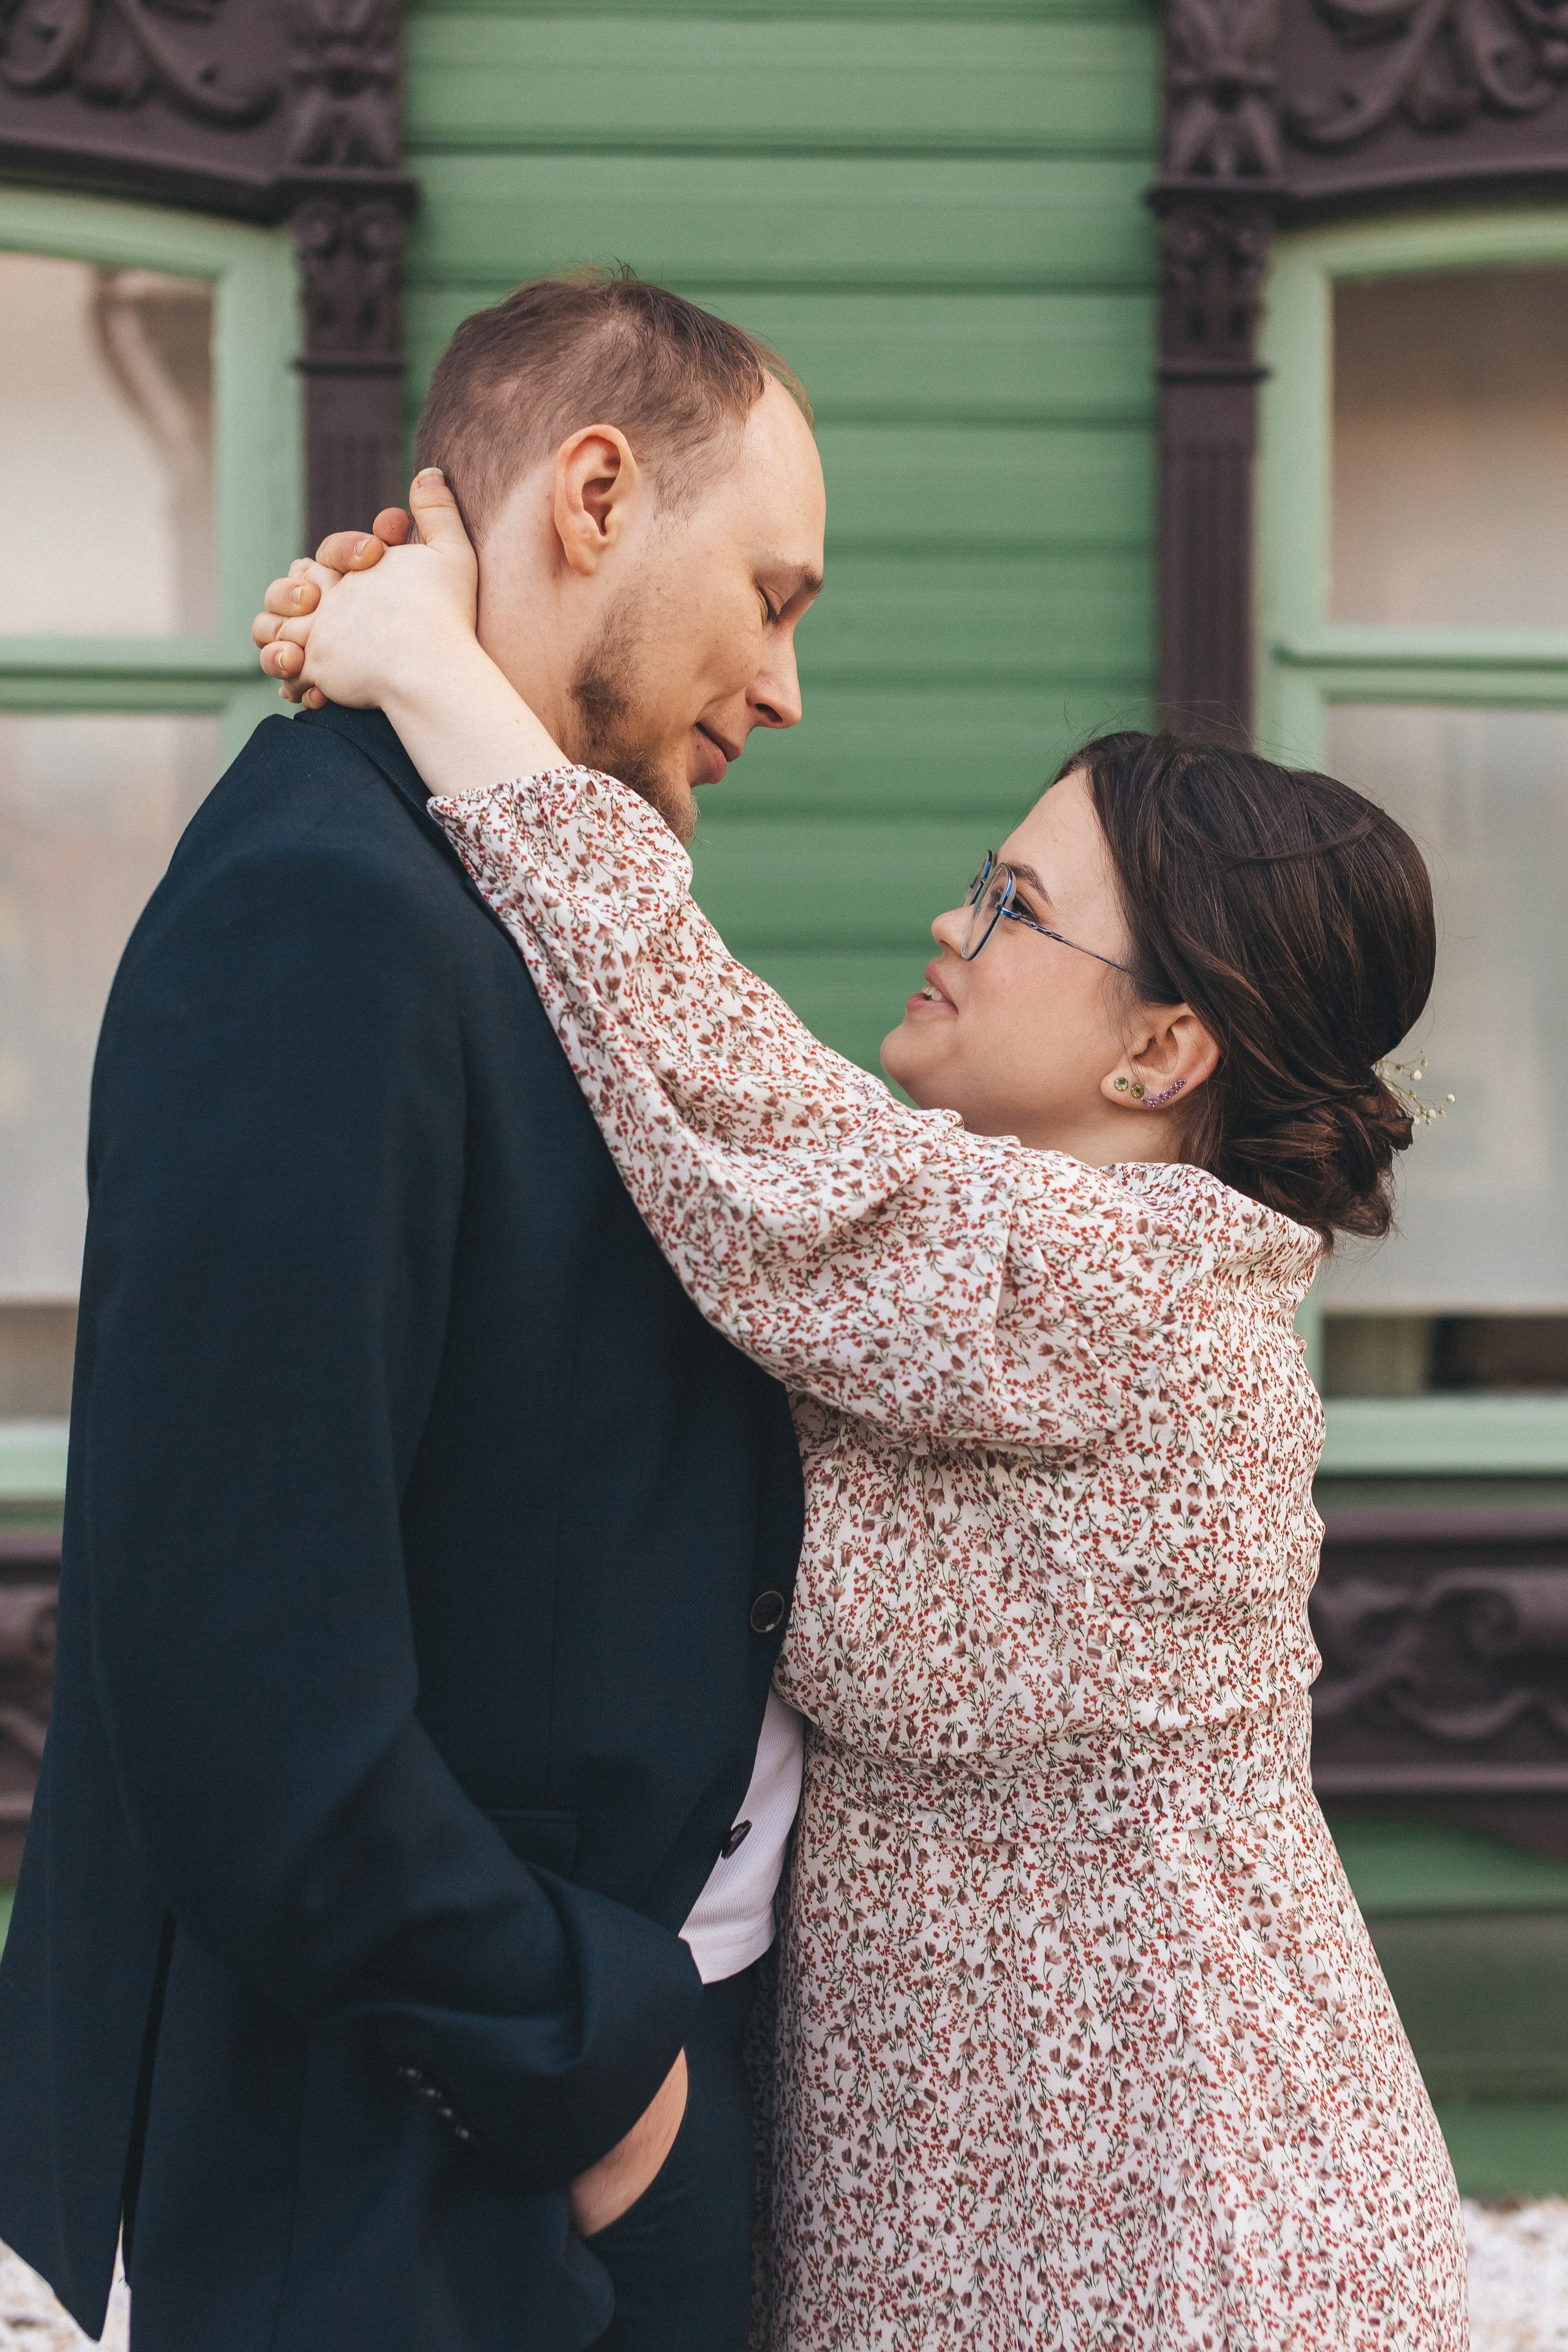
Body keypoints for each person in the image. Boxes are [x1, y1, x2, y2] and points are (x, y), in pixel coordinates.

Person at [249, 471, 1471, 2351]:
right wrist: (471, 657)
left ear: (1162, 1050)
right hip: (958, 2180)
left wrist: (439, 680)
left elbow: (728, 1103)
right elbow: (686, 1145)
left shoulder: (1132, 1286)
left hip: (1182, 2222)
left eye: (1014, 907)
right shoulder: (983, 1265)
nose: (950, 918)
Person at [0, 274, 826, 2352]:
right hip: (410, 2157)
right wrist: (592, 2067)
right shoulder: (326, 908)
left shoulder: (513, 887)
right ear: (596, 493)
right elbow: (242, 1688)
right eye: (771, 596)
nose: (788, 685)